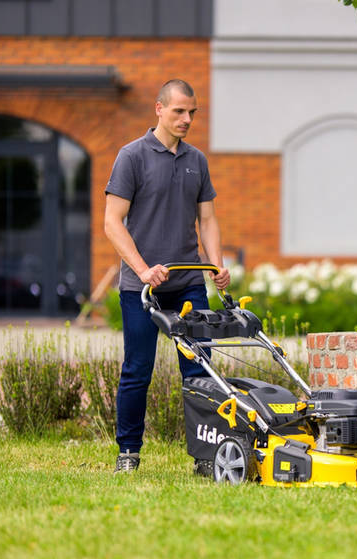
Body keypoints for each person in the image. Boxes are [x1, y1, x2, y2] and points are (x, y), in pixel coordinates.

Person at [104, 78, 230, 473]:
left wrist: (217, 265)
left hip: (189, 283)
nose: (187, 119)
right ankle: (128, 453)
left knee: (199, 372)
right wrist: (143, 270)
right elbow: (112, 222)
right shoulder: (132, 157)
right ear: (158, 109)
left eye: (192, 112)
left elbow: (207, 219)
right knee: (137, 371)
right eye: (179, 111)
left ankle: (205, 458)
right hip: (141, 289)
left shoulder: (197, 160)